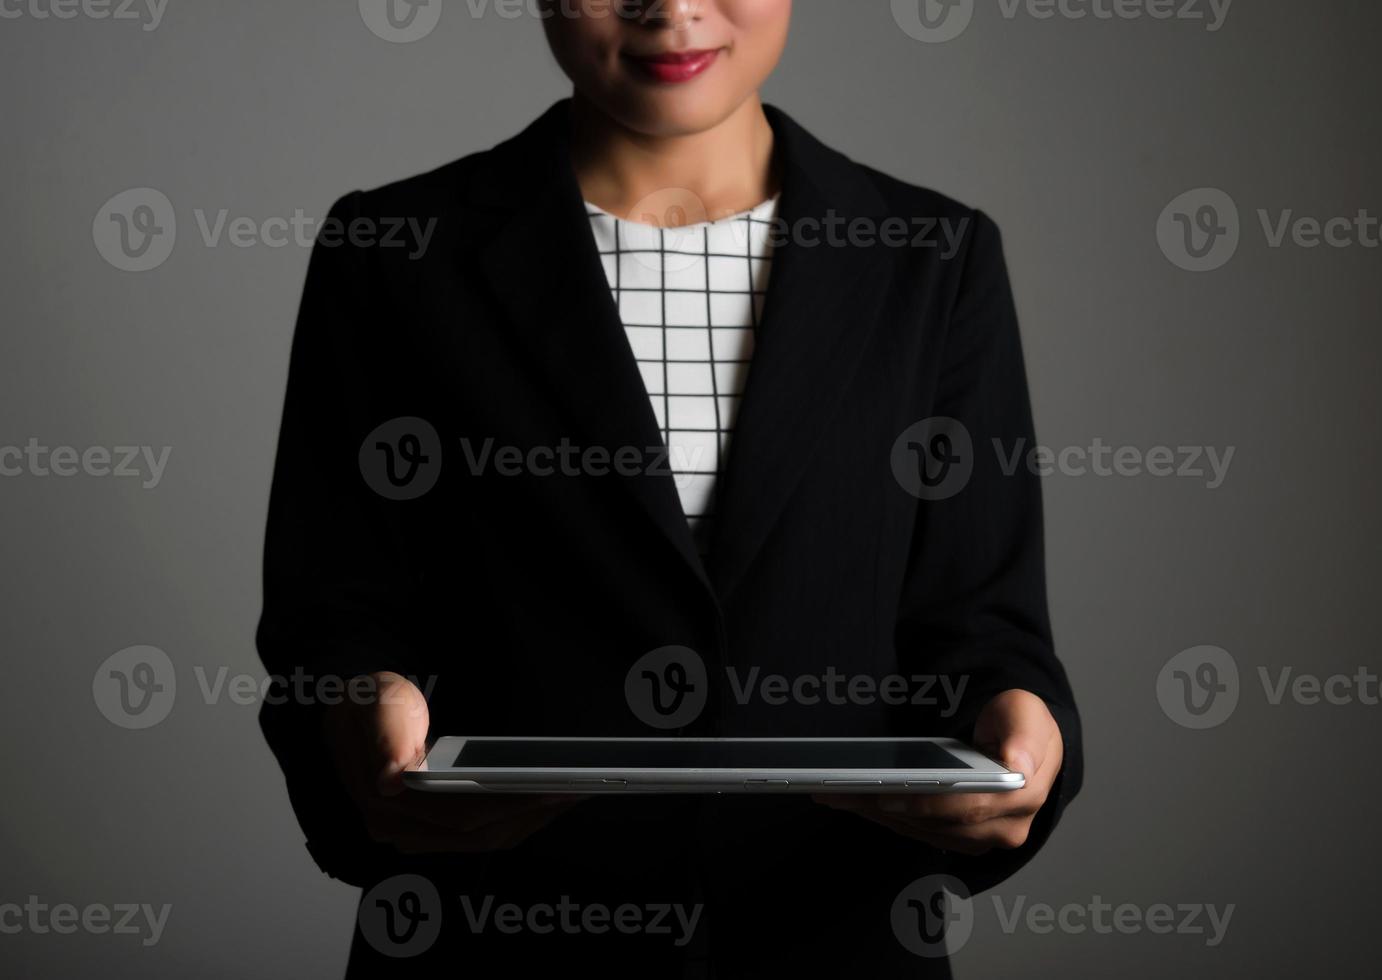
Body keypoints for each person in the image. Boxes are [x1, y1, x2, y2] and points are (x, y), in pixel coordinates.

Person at [256, 1, 1082, 975]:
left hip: (835, 939)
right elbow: (335, 610)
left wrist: (1021, 726)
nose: (672, 9)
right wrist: (360, 709)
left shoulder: (933, 261)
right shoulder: (389, 251)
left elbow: (982, 623)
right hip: (492, 943)